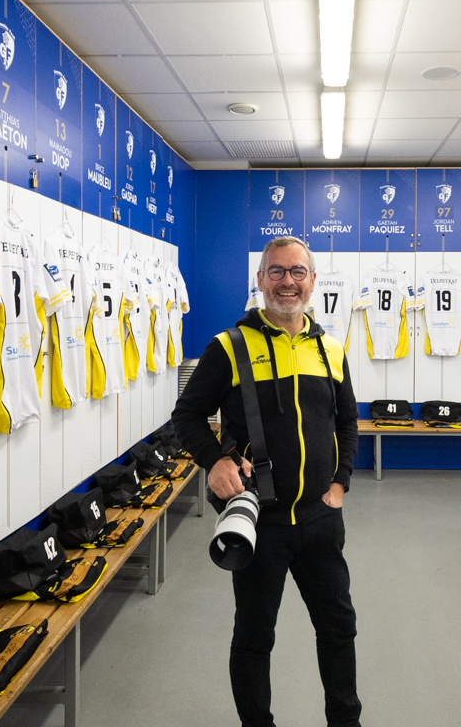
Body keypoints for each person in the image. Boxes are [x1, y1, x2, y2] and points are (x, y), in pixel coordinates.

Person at [172, 236, 361, 727]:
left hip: (320, 520)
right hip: (261, 524)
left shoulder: (330, 349)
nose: (287, 282)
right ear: (260, 280)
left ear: (312, 281)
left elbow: (347, 422)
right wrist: (215, 461)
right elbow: (187, 415)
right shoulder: (229, 347)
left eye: (297, 272)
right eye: (276, 271)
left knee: (338, 629)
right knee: (255, 638)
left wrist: (339, 485)